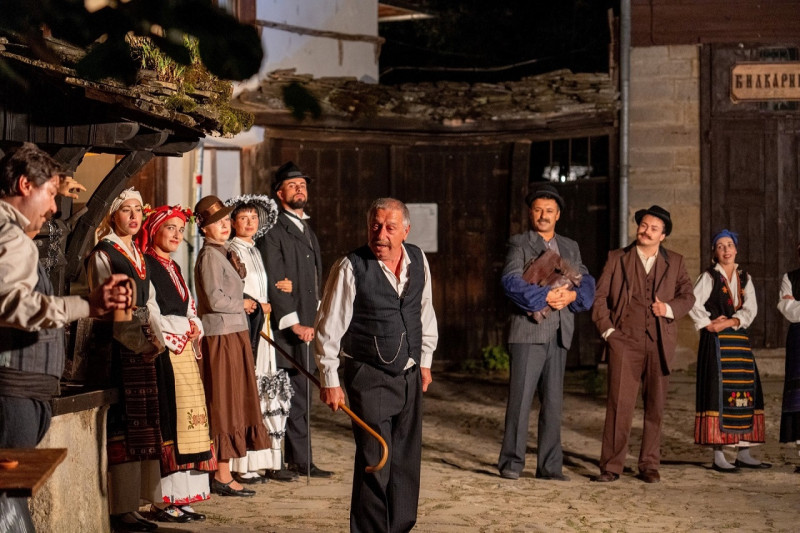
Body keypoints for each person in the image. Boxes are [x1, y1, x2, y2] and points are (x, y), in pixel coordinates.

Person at [0, 143, 130, 529]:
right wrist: (87, 305)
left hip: (22, 393)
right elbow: (12, 306)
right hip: (12, 393)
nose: (55, 208)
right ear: (25, 185)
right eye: (50, 194)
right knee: (7, 504)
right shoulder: (9, 237)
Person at [315, 197, 438, 533]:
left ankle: (399, 528)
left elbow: (425, 310)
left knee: (405, 462)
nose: (380, 234)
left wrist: (425, 361)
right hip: (368, 375)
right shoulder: (350, 266)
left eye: (390, 228)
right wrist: (329, 379)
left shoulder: (418, 259)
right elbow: (328, 327)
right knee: (375, 459)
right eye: (375, 226)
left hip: (409, 373)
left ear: (406, 231)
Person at [497, 184, 595, 481]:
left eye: (549, 211)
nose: (543, 215)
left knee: (553, 404)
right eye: (538, 210)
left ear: (558, 215)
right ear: (531, 213)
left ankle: (550, 467)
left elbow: (585, 281)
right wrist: (546, 297)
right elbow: (510, 281)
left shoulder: (570, 246)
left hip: (560, 332)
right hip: (528, 332)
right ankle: (512, 463)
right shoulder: (519, 243)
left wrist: (573, 296)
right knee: (521, 401)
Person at [591, 205, 695, 483]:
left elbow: (688, 296)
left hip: (660, 343)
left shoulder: (675, 261)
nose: (646, 231)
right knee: (619, 405)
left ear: (663, 235)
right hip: (624, 341)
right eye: (643, 225)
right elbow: (599, 297)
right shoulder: (617, 258)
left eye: (653, 228)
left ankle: (649, 464)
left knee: (655, 406)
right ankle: (611, 466)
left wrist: (669, 309)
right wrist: (608, 332)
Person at [86, 187, 165, 532]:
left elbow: (152, 302)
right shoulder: (104, 254)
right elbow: (109, 307)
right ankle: (120, 506)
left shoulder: (138, 255)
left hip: (143, 343)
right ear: (113, 215)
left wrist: (157, 339)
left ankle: (136, 502)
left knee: (144, 425)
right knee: (124, 427)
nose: (134, 216)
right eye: (126, 210)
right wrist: (137, 341)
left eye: (138, 210)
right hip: (119, 347)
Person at [136, 205, 216, 522]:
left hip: (183, 353)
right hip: (166, 352)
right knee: (172, 422)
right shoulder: (147, 265)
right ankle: (163, 500)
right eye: (170, 228)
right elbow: (150, 311)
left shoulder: (175, 267)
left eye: (181, 230)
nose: (177, 235)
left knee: (191, 424)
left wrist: (195, 325)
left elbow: (189, 306)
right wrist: (180, 331)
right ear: (155, 229)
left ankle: (183, 497)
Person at [193, 194, 271, 497]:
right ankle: (220, 474)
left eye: (226, 220)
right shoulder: (209, 256)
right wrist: (243, 304)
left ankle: (223, 471)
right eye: (217, 222)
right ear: (204, 228)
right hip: (221, 336)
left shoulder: (223, 252)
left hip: (234, 333)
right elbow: (214, 299)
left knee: (234, 400)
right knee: (224, 402)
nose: (225, 225)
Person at [260, 161, 332, 478]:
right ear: (280, 193)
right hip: (287, 330)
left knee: (302, 396)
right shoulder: (274, 232)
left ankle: (302, 460)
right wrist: (294, 323)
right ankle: (279, 461)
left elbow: (313, 281)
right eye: (292, 185)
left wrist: (316, 320)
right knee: (284, 397)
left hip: (308, 325)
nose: (299, 189)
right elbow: (276, 281)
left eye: (302, 184)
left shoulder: (308, 231)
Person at [226, 194, 297, 484]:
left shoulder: (254, 249)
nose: (249, 222)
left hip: (262, 324)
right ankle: (242, 461)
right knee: (250, 386)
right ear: (233, 222)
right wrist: (256, 303)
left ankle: (266, 458)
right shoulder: (232, 250)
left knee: (265, 387)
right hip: (247, 324)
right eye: (243, 218)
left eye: (254, 218)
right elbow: (235, 289)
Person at [689, 229, 769, 472]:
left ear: (736, 249)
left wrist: (731, 321)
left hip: (739, 342)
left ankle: (744, 451)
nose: (726, 250)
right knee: (718, 393)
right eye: (720, 246)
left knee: (746, 391)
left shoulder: (745, 278)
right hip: (716, 343)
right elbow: (692, 302)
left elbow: (751, 308)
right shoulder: (709, 276)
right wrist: (709, 324)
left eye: (729, 245)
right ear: (714, 252)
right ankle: (718, 455)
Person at [777, 243, 800, 472]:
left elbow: (794, 306)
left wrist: (796, 304)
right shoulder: (790, 277)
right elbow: (787, 308)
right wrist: (791, 305)